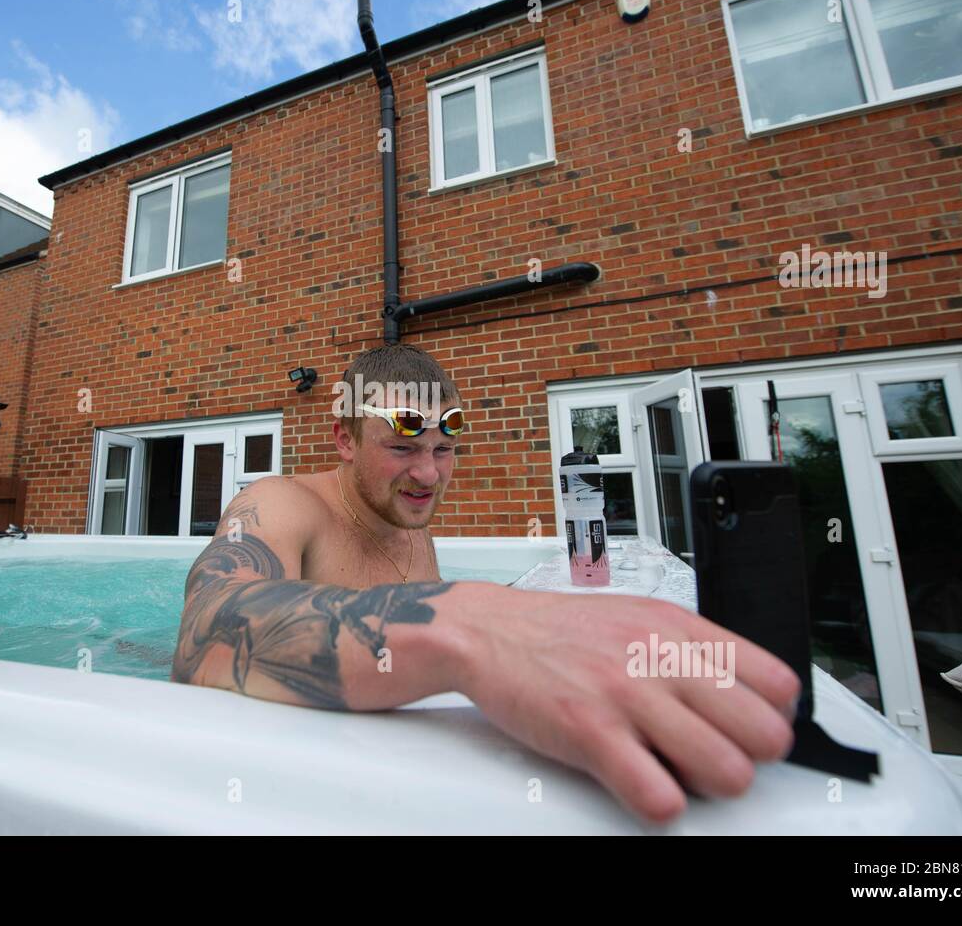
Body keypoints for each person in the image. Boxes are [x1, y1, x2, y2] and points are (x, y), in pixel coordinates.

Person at [172, 343, 801, 822]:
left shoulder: (411, 527)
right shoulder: (280, 503)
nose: (429, 474)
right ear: (344, 436)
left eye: (445, 449)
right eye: (402, 447)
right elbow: (206, 627)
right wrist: (474, 621)